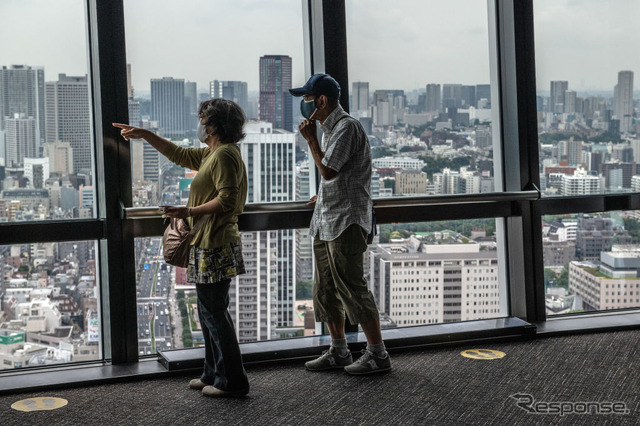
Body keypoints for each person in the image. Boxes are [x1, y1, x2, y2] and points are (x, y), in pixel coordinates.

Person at [113, 98, 250, 397]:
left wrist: (187, 211)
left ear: (213, 125)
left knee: (215, 315)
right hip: (206, 242)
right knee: (208, 313)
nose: (200, 124)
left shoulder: (225, 155)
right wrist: (145, 134)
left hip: (215, 243)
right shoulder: (214, 153)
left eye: (203, 119)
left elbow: (227, 200)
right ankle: (213, 374)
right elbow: (178, 154)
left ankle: (233, 382)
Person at [290, 73, 391, 375]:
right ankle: (339, 350)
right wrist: (321, 197)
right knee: (325, 288)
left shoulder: (346, 127)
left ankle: (378, 353)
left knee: (352, 287)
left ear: (321, 100)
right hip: (326, 218)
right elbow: (338, 178)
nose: (305, 106)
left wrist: (310, 141)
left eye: (307, 99)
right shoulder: (329, 130)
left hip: (346, 221)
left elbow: (330, 171)